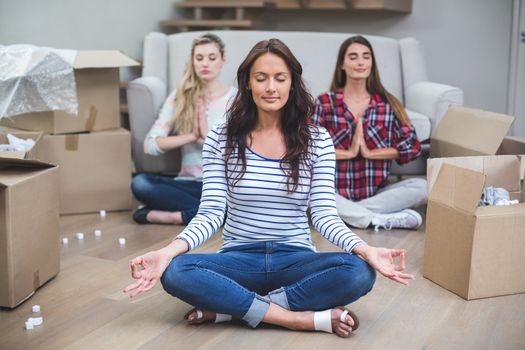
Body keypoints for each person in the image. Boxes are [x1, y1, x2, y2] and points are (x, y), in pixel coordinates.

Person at [123, 39, 414, 338]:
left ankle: (230, 310)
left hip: (295, 258)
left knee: (359, 272)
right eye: (261, 78)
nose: (270, 87)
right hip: (239, 259)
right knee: (176, 271)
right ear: (247, 83)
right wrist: (168, 251)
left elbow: (325, 216)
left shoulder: (318, 140)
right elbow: (210, 214)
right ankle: (295, 318)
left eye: (280, 78)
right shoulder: (220, 139)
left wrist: (365, 249)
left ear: (292, 84)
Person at [312, 35, 427, 231]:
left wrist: (370, 153)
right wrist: (347, 153)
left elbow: (413, 146)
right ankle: (375, 220)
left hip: (377, 194)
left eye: (366, 56)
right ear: (342, 64)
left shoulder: (387, 104)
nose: (360, 62)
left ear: (372, 64)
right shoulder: (324, 102)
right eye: (353, 56)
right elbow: (308, 147)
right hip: (334, 192)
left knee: (424, 187)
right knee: (308, 189)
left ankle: (351, 215)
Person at [131, 33, 237, 225]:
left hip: (222, 187)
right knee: (140, 183)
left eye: (212, 58)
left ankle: (175, 216)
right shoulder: (179, 97)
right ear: (192, 61)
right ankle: (211, 216)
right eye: (199, 58)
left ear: (223, 60)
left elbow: (244, 152)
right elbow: (150, 145)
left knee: (242, 203)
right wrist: (191, 136)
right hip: (187, 184)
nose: (205, 63)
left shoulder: (237, 100)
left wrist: (207, 137)